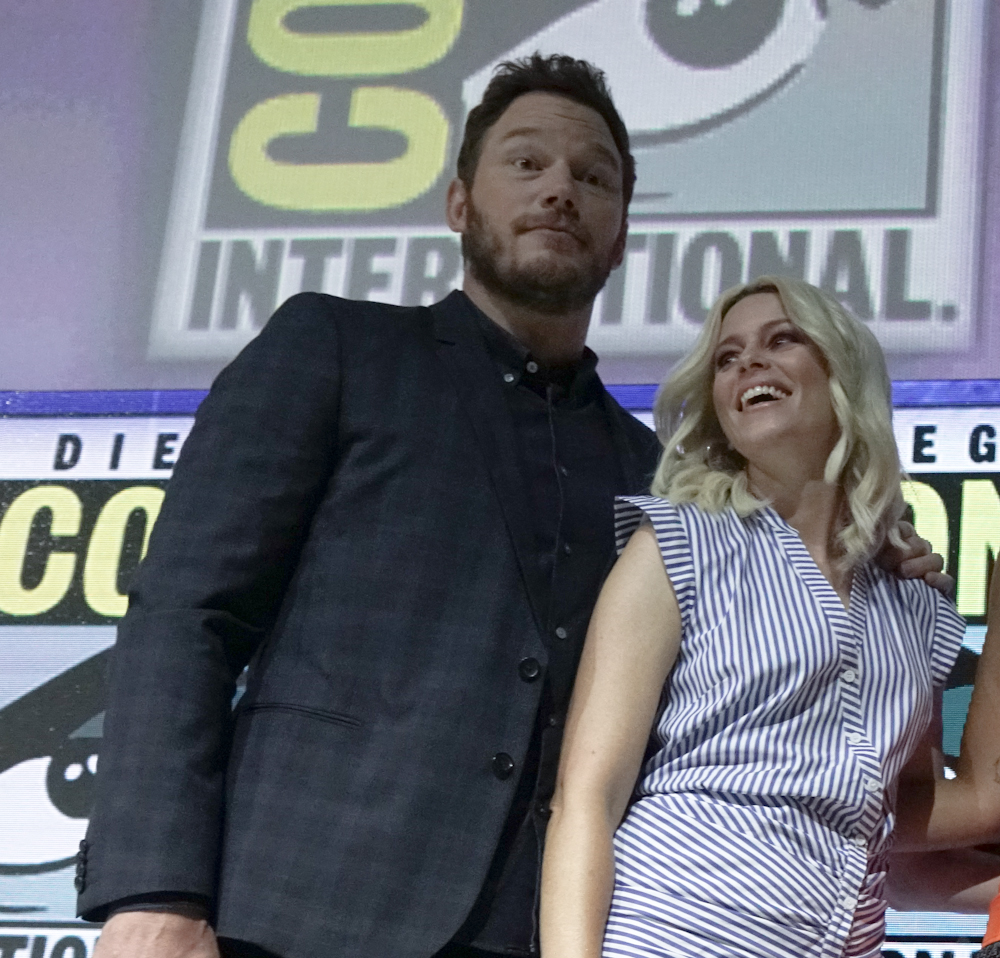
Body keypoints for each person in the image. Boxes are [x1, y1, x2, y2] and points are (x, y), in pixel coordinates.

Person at [79, 58, 946, 958]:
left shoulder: (656, 479)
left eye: (593, 177)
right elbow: (188, 612)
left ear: (621, 238)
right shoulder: (337, 349)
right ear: (459, 202)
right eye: (527, 164)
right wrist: (155, 892)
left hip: (544, 929)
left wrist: (869, 551)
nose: (560, 190)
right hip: (297, 912)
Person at [539, 276, 1000, 958]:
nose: (749, 362)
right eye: (726, 357)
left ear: (844, 372)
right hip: (675, 934)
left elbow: (920, 807)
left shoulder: (916, 601)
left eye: (782, 340)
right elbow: (587, 799)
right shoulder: (678, 542)